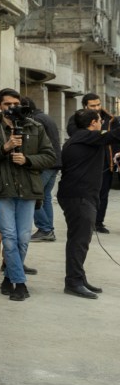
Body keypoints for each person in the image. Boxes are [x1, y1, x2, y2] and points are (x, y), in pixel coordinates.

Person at [0, 88, 56, 301]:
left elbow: (50, 156)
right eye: (7, 104)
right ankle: (20, 283)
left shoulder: (34, 126)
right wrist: (5, 147)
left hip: (27, 189)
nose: (12, 108)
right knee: (9, 237)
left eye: (15, 104)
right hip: (2, 189)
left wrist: (28, 160)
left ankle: (8, 278)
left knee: (23, 238)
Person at [59, 108, 120, 298]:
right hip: (79, 197)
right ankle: (73, 282)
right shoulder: (86, 136)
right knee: (79, 241)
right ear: (93, 123)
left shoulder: (82, 138)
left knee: (79, 240)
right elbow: (115, 135)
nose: (102, 123)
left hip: (79, 196)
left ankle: (79, 277)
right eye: (100, 120)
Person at [66, 93, 116, 233]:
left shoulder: (110, 118)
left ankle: (98, 222)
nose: (96, 108)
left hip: (106, 161)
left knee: (103, 193)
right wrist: (98, 134)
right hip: (86, 161)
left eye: (98, 104)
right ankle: (84, 220)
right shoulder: (77, 118)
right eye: (92, 106)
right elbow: (74, 133)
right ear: (85, 106)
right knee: (84, 194)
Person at [22, 97, 62, 242]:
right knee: (45, 197)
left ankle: (45, 229)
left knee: (32, 195)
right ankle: (47, 230)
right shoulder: (45, 117)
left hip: (45, 164)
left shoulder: (35, 120)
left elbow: (33, 144)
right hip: (54, 163)